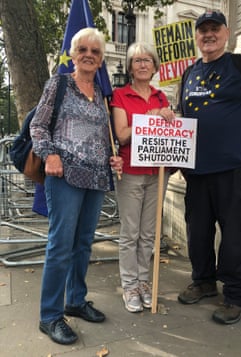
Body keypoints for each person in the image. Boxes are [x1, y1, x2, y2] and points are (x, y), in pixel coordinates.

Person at [177, 11, 241, 324]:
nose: (208, 34)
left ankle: (236, 296)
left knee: (235, 236)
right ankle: (203, 281)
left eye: (214, 29)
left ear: (226, 32)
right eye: (202, 30)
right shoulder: (188, 74)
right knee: (198, 234)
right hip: (197, 172)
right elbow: (183, 119)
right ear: (196, 36)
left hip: (235, 170)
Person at [30, 27, 123, 345]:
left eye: (95, 51)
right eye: (82, 49)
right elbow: (38, 125)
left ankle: (76, 300)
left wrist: (114, 158)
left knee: (84, 244)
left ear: (101, 59)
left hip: (96, 178)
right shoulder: (59, 84)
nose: (88, 55)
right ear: (73, 54)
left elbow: (103, 136)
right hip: (65, 177)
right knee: (61, 245)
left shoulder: (101, 94)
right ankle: (50, 315)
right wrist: (49, 154)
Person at [110, 42, 175, 313]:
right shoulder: (120, 96)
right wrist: (148, 118)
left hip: (157, 173)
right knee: (130, 233)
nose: (143, 64)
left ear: (155, 65)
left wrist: (168, 118)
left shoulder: (162, 97)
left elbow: (172, 132)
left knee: (149, 233)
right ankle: (129, 285)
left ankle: (144, 282)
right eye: (137, 60)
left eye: (147, 60)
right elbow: (122, 134)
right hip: (131, 173)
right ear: (130, 67)